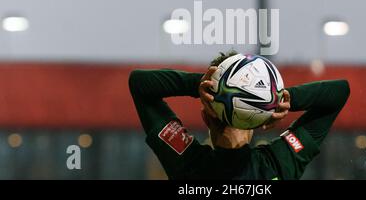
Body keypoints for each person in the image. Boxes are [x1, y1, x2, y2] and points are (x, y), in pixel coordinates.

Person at [128, 51, 350, 180]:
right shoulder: (280, 161)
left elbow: (139, 83)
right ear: (259, 118)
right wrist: (281, 99)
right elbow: (340, 91)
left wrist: (198, 84)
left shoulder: (187, 164)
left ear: (206, 117)